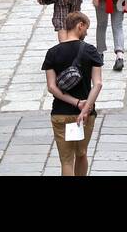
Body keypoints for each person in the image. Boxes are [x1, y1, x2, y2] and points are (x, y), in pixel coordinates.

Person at [42, 10, 104, 176]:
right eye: (86, 28)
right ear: (79, 26)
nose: (86, 32)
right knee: (81, 154)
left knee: (66, 160)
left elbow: (52, 87)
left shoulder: (52, 53)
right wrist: (84, 108)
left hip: (60, 113)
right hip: (83, 116)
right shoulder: (90, 51)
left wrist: (74, 102)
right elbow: (97, 84)